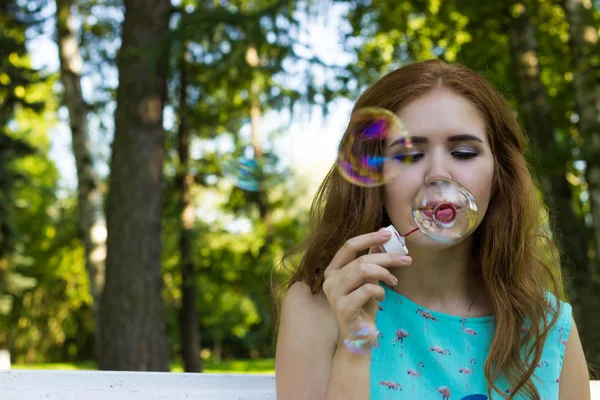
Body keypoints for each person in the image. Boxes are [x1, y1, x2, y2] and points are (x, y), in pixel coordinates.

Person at [274, 60, 590, 400]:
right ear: (373, 180)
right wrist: (355, 347)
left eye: (464, 152)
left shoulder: (547, 325)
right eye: (409, 155)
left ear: (500, 176)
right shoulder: (322, 307)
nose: (438, 174)